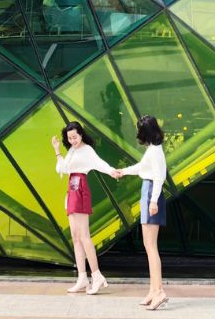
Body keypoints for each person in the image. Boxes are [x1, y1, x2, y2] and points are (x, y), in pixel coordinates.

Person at [51, 121, 118, 295]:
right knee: (75, 237)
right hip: (72, 189)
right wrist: (57, 150)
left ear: (81, 134)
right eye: (69, 138)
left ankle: (96, 276)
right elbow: (63, 168)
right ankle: (82, 277)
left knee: (84, 235)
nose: (72, 140)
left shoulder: (87, 150)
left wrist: (112, 171)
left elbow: (99, 164)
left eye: (75, 137)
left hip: (80, 189)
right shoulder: (72, 150)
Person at [116, 115, 168, 311]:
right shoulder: (153, 150)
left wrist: (153, 201)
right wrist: (124, 171)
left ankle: (159, 291)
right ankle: (154, 290)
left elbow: (158, 177)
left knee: (151, 246)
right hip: (147, 194)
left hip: (151, 196)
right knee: (149, 246)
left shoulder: (155, 152)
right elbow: (141, 169)